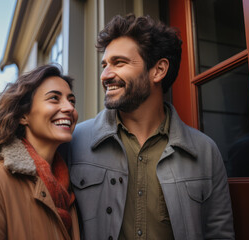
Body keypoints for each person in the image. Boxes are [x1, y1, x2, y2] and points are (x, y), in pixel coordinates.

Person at [68, 14, 234, 239]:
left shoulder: (205, 151)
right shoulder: (74, 142)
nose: (105, 75)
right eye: (104, 64)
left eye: (119, 62)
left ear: (158, 70)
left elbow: (220, 233)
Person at [0, 64, 80, 240]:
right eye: (54, 99)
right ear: (23, 115)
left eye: (71, 100)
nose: (69, 108)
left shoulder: (69, 190)